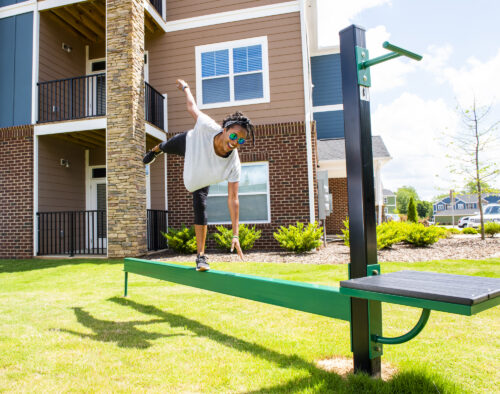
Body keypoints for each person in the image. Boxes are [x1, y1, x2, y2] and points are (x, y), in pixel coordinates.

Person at [143, 79, 255, 272]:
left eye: (241, 141)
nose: (235, 142)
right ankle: (154, 151)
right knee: (164, 146)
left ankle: (201, 257)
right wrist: (186, 88)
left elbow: (233, 198)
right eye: (234, 136)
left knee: (200, 205)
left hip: (200, 177)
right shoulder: (207, 126)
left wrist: (235, 234)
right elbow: (191, 107)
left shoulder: (234, 163)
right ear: (225, 129)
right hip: (189, 144)